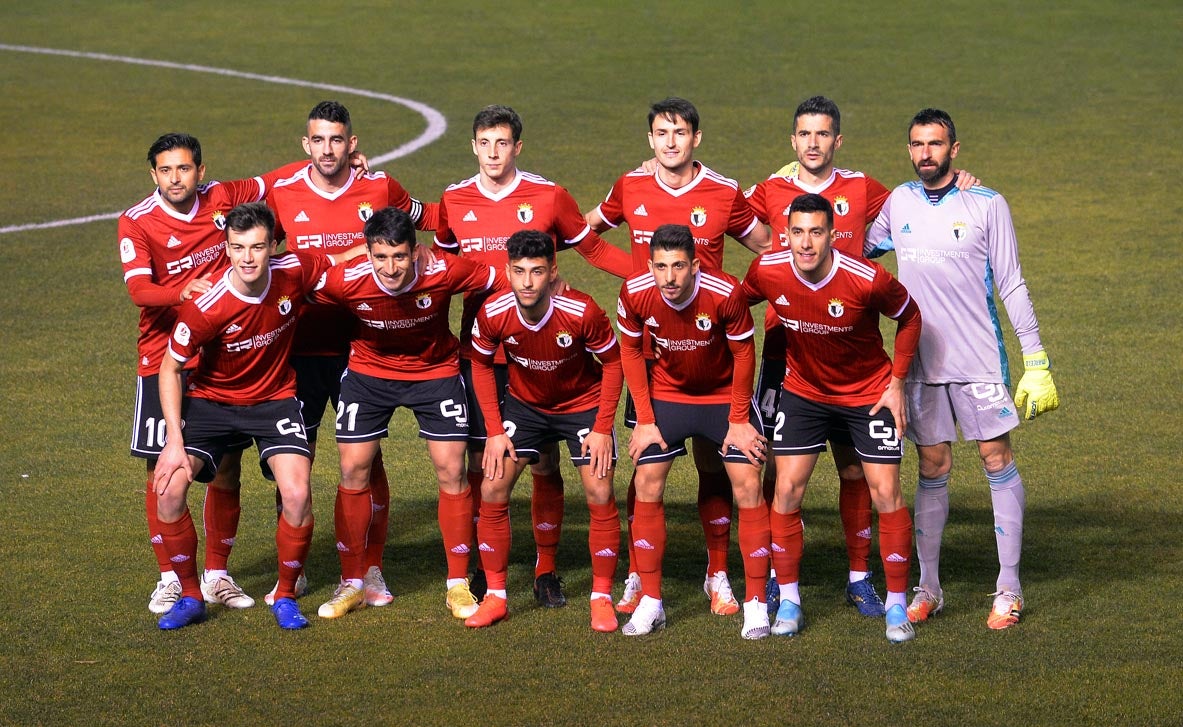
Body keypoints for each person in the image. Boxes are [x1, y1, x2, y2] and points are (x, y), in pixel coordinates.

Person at [746, 96, 982, 617]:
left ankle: (859, 577)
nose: (813, 143)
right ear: (793, 140)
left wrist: (956, 182)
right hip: (788, 346)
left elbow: (916, 200)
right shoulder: (768, 189)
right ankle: (769, 576)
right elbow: (716, 210)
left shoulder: (862, 188)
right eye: (804, 134)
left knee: (856, 470)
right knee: (773, 466)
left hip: (853, 348)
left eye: (822, 134)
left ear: (837, 140)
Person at [866, 108, 1059, 630]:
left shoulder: (987, 203)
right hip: (922, 365)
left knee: (997, 459)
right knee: (931, 468)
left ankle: (1009, 590)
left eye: (935, 143)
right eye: (916, 144)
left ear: (955, 149)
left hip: (977, 361)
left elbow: (1011, 282)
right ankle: (928, 588)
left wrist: (1035, 357)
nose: (925, 152)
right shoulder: (897, 202)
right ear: (909, 150)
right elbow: (854, 251)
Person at [433, 104, 632, 609]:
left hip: (546, 353)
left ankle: (545, 569)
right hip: (483, 349)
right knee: (486, 461)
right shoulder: (454, 200)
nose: (494, 152)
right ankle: (485, 567)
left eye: (503, 143)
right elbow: (442, 272)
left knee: (544, 465)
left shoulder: (548, 195)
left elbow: (595, 251)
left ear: (517, 147)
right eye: (485, 142)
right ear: (473, 145)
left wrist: (649, 274)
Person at [585, 97, 770, 618]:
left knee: (719, 464)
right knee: (645, 469)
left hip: (714, 351)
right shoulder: (632, 185)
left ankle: (718, 573)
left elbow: (768, 247)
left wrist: (740, 297)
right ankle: (639, 578)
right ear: (650, 139)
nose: (670, 141)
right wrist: (634, 280)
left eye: (680, 132)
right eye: (661, 132)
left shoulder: (723, 191)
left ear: (696, 138)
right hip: (655, 354)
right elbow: (585, 232)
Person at [119, 133, 304, 615]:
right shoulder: (137, 222)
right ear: (153, 174)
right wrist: (188, 291)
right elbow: (140, 290)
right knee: (162, 468)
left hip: (221, 354)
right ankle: (170, 577)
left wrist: (334, 159)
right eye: (165, 170)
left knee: (226, 465)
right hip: (165, 352)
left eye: (184, 168)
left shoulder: (221, 198)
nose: (175, 178)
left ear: (200, 171)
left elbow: (272, 180)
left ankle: (217, 573)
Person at [152, 202, 360, 630]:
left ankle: (284, 595)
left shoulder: (294, 270)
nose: (248, 257)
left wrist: (401, 252)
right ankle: (192, 595)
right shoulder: (207, 306)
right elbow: (170, 368)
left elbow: (340, 260)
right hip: (212, 403)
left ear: (274, 247)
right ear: (226, 249)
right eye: (238, 247)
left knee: (298, 495)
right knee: (169, 490)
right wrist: (174, 440)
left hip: (275, 401)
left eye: (258, 247)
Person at [265, 100, 439, 608]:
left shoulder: (379, 188)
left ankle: (371, 567)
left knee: (366, 460)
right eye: (318, 140)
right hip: (296, 348)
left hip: (361, 348)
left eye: (336, 140)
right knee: (294, 461)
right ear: (306, 144)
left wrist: (427, 249)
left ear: (352, 144)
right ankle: (292, 570)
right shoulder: (282, 191)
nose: (327, 150)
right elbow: (261, 253)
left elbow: (433, 219)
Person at [741, 193, 922, 643]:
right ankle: (789, 599)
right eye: (797, 232)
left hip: (867, 394)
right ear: (785, 234)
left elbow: (911, 317)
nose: (806, 243)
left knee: (886, 492)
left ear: (832, 235)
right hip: (804, 392)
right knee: (785, 489)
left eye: (816, 232)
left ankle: (897, 606)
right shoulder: (768, 270)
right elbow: (733, 302)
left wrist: (896, 383)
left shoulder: (867, 279)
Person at [309, 206, 505, 621]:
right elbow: (298, 283)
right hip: (368, 374)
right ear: (367, 253)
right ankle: (352, 582)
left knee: (452, 470)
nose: (391, 267)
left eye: (400, 256)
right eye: (380, 257)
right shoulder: (347, 279)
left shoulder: (444, 271)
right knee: (353, 469)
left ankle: (457, 585)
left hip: (435, 373)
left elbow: (498, 279)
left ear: (416, 252)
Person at [616, 224, 772, 640]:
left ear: (695, 265)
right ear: (650, 266)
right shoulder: (634, 293)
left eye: (679, 266)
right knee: (647, 478)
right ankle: (652, 600)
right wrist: (645, 419)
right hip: (667, 395)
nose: (669, 277)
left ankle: (752, 600)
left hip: (722, 396)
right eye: (661, 266)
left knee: (746, 481)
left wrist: (739, 420)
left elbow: (743, 354)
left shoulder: (725, 293)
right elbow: (630, 351)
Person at [464, 230, 624, 631]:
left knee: (600, 489)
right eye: (519, 272)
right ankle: (497, 596)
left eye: (537, 271)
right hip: (526, 407)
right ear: (508, 272)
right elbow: (481, 364)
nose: (528, 282)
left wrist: (603, 428)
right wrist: (495, 430)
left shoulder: (582, 311)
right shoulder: (494, 312)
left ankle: (601, 596)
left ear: (553, 272)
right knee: (492, 485)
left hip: (581, 405)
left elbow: (615, 364)